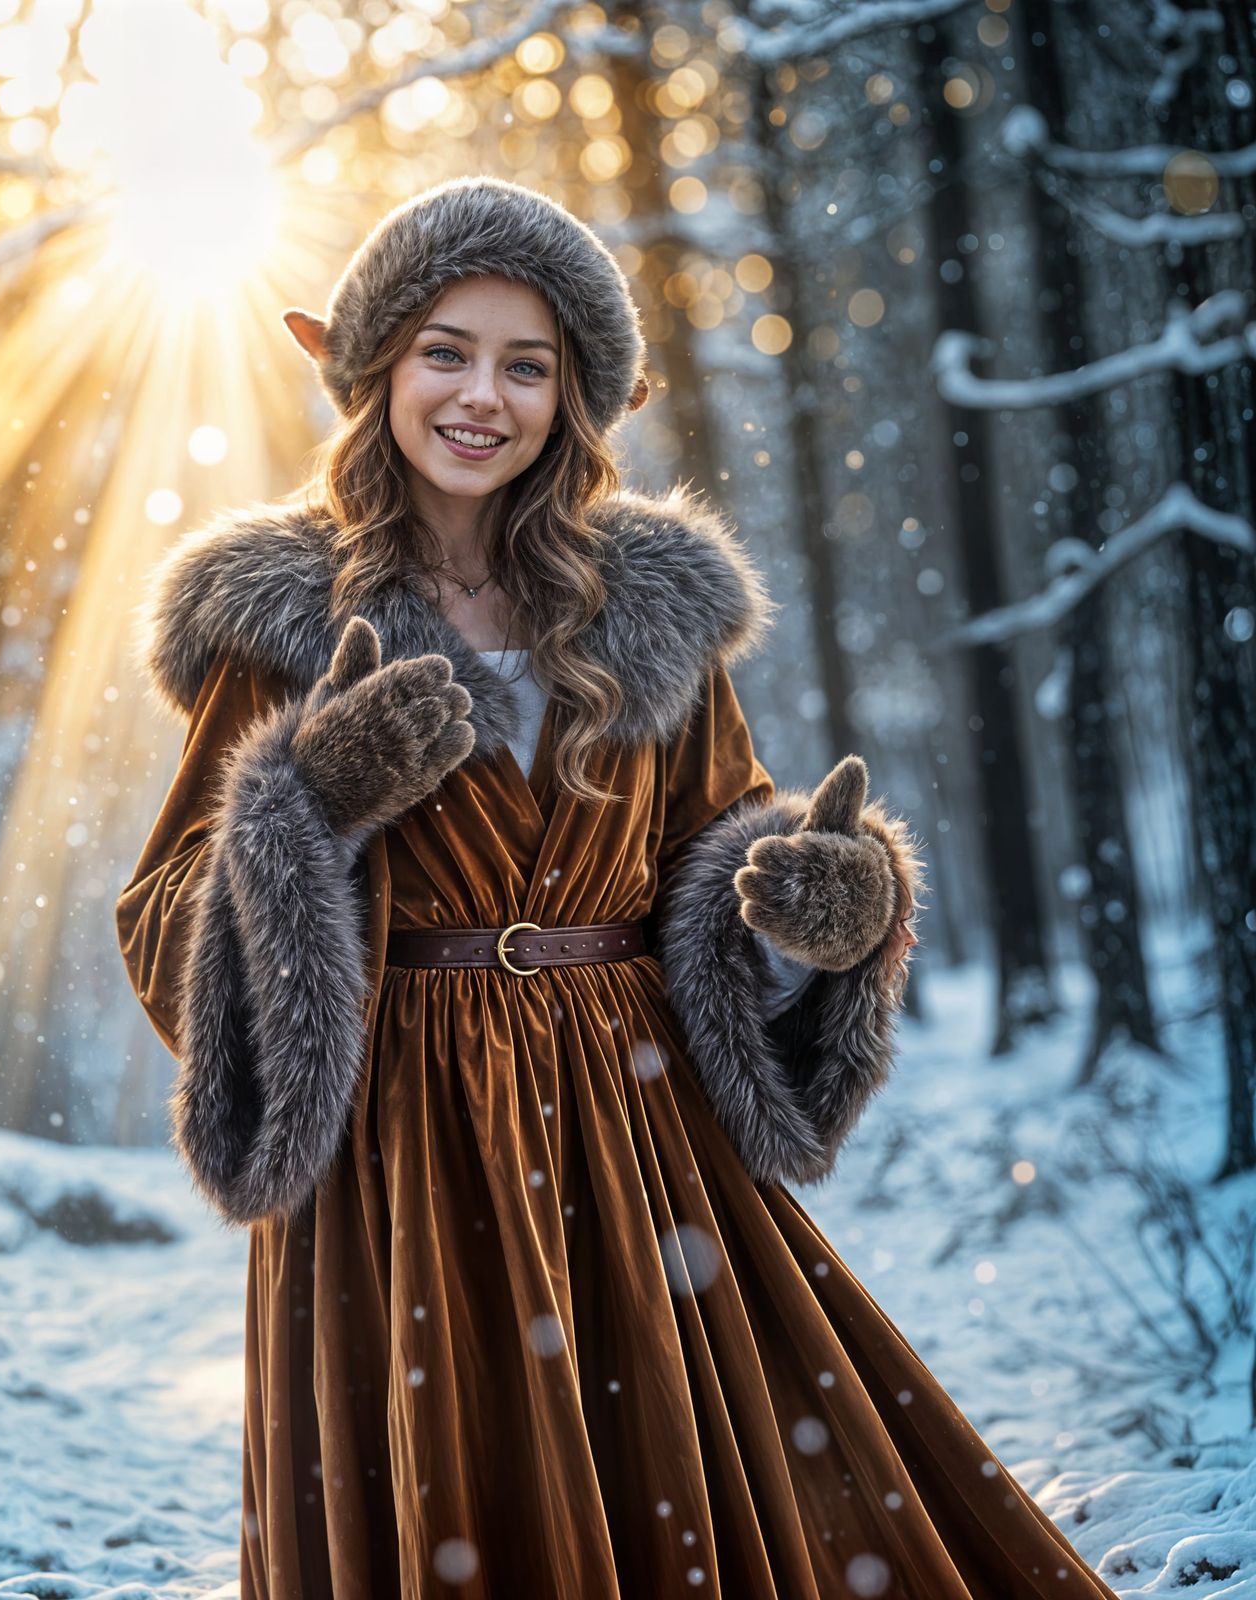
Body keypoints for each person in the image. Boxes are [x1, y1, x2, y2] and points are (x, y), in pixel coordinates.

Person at [115, 177, 1118, 1599]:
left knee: (699, 1480)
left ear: (579, 398)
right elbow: (166, 917)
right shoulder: (285, 620)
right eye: (446, 350)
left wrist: (821, 917)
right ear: (377, 365)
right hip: (396, 1155)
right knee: (446, 1479)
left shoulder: (646, 615)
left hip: (632, 1129)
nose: (483, 396)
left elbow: (721, 861)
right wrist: (307, 805)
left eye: (529, 366)